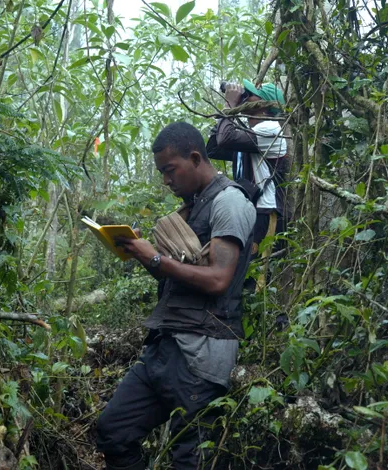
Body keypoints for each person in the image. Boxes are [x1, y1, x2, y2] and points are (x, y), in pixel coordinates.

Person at [96, 122, 257, 470]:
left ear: (195, 158)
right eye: (162, 173)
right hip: (165, 346)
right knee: (113, 431)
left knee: (189, 460)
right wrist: (141, 253)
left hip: (202, 354)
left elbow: (218, 280)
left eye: (171, 170)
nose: (167, 180)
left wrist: (156, 258)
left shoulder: (229, 202)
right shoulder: (194, 205)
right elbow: (176, 277)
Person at [206, 79, 288, 258]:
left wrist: (229, 106)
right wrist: (229, 112)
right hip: (251, 210)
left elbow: (225, 139)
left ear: (264, 105)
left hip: (266, 213)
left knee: (261, 269)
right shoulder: (250, 136)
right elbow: (212, 149)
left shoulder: (270, 129)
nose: (245, 97)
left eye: (250, 95)